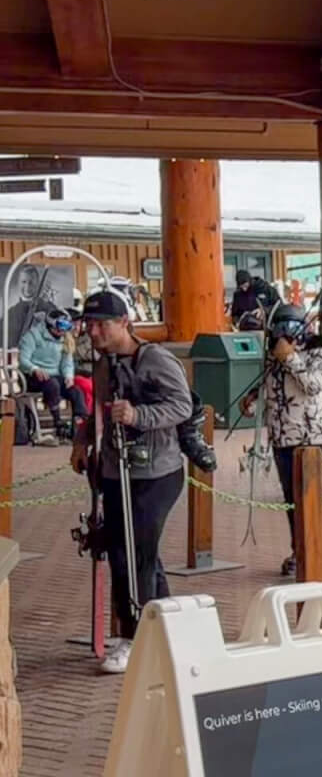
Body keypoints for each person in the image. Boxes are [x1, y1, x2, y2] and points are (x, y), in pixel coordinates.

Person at [69, 288, 193, 675]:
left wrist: (139, 415)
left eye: (101, 324)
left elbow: (182, 405)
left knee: (133, 553)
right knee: (136, 551)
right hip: (113, 469)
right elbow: (100, 410)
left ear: (124, 323)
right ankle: (169, 627)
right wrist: (82, 441)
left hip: (156, 471)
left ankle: (132, 635)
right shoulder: (105, 363)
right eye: (88, 324)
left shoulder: (155, 360)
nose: (93, 332)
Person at [238, 303, 322, 577]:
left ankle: (313, 552)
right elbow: (270, 388)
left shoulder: (318, 354)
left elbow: (313, 385)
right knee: (291, 501)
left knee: (308, 500)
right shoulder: (273, 357)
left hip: (309, 440)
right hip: (282, 439)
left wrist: (290, 358)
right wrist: (252, 402)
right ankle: (298, 550)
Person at [18, 306, 86, 439]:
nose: (65, 329)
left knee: (76, 391)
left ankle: (79, 423)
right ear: (52, 325)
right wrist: (34, 368)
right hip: (32, 376)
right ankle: (58, 421)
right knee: (52, 384)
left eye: (67, 325)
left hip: (54, 375)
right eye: (62, 325)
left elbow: (67, 363)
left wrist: (68, 376)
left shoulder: (65, 339)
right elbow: (23, 360)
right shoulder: (33, 336)